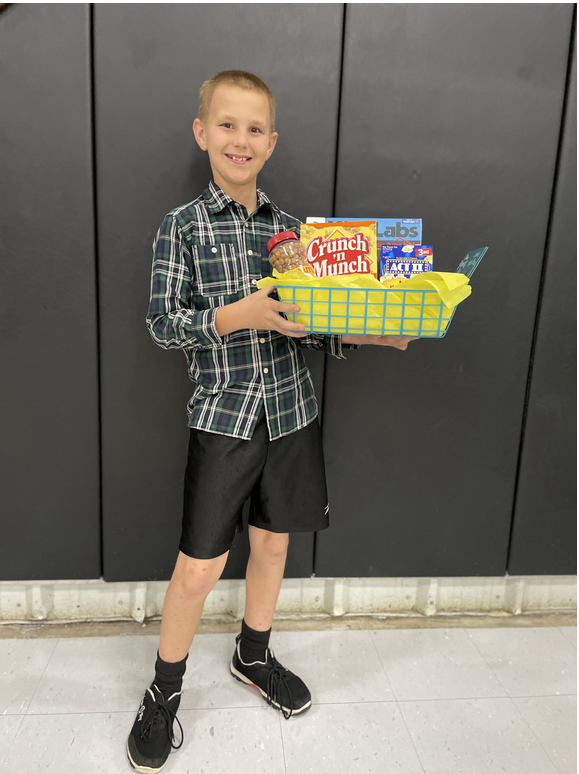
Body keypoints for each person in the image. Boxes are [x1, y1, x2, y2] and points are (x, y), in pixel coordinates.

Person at [127, 69, 417, 773]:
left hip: (290, 417)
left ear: (272, 142)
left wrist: (372, 332)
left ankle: (252, 655)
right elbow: (162, 326)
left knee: (275, 549)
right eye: (227, 125)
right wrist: (237, 315)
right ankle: (164, 692)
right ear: (202, 133)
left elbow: (316, 325)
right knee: (198, 570)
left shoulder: (295, 233)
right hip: (223, 420)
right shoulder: (183, 226)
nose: (240, 139)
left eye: (255, 128)